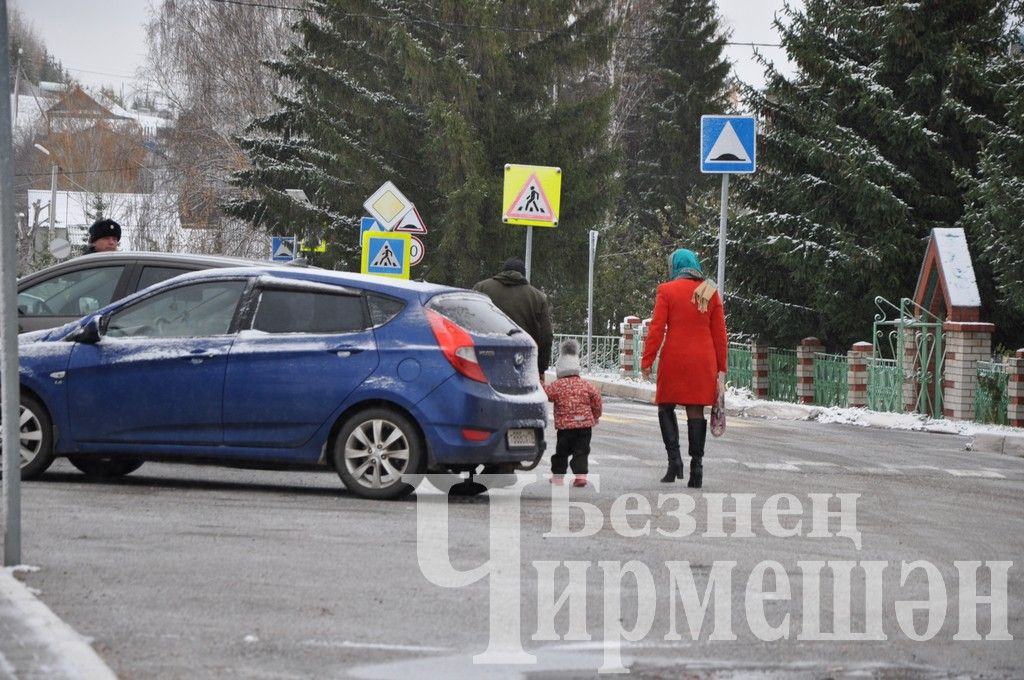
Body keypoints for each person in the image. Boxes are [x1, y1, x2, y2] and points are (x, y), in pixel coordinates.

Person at [640, 248, 727, 488]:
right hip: (703, 361)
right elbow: (720, 334)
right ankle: (696, 466)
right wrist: (721, 367)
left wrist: (647, 360)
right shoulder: (709, 292)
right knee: (695, 411)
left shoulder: (667, 290)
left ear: (675, 266)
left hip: (674, 359)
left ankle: (674, 460)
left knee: (665, 406)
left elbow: (657, 328)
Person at [473, 257, 553, 381]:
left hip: (485, 359)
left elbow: (469, 320)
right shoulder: (537, 297)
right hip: (522, 362)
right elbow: (546, 336)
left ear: (502, 272)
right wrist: (540, 368)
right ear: (523, 275)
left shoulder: (481, 288)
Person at [544, 339, 602, 487]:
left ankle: (558, 477)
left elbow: (546, 394)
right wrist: (595, 416)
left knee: (561, 453)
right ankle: (581, 477)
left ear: (560, 369)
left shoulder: (557, 385)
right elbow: (596, 399)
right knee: (581, 452)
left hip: (565, 429)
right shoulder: (586, 385)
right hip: (584, 427)